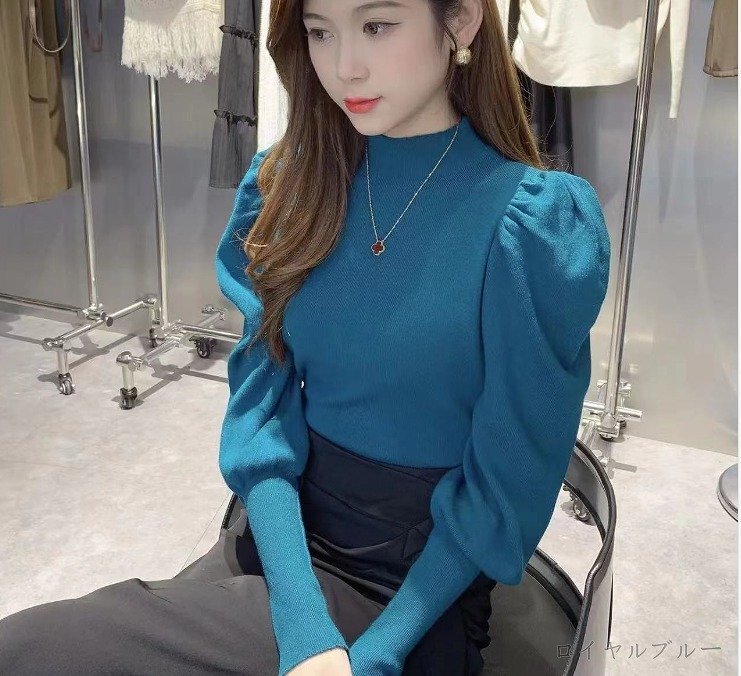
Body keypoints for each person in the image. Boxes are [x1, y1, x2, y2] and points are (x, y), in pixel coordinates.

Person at [0, 0, 611, 674]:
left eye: (376, 26)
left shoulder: (531, 225)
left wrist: (376, 654)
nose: (344, 66)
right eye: (320, 32)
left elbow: (508, 484)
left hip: (410, 591)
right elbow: (260, 417)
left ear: (460, 21)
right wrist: (300, 622)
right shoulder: (290, 186)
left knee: (37, 651)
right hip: (279, 537)